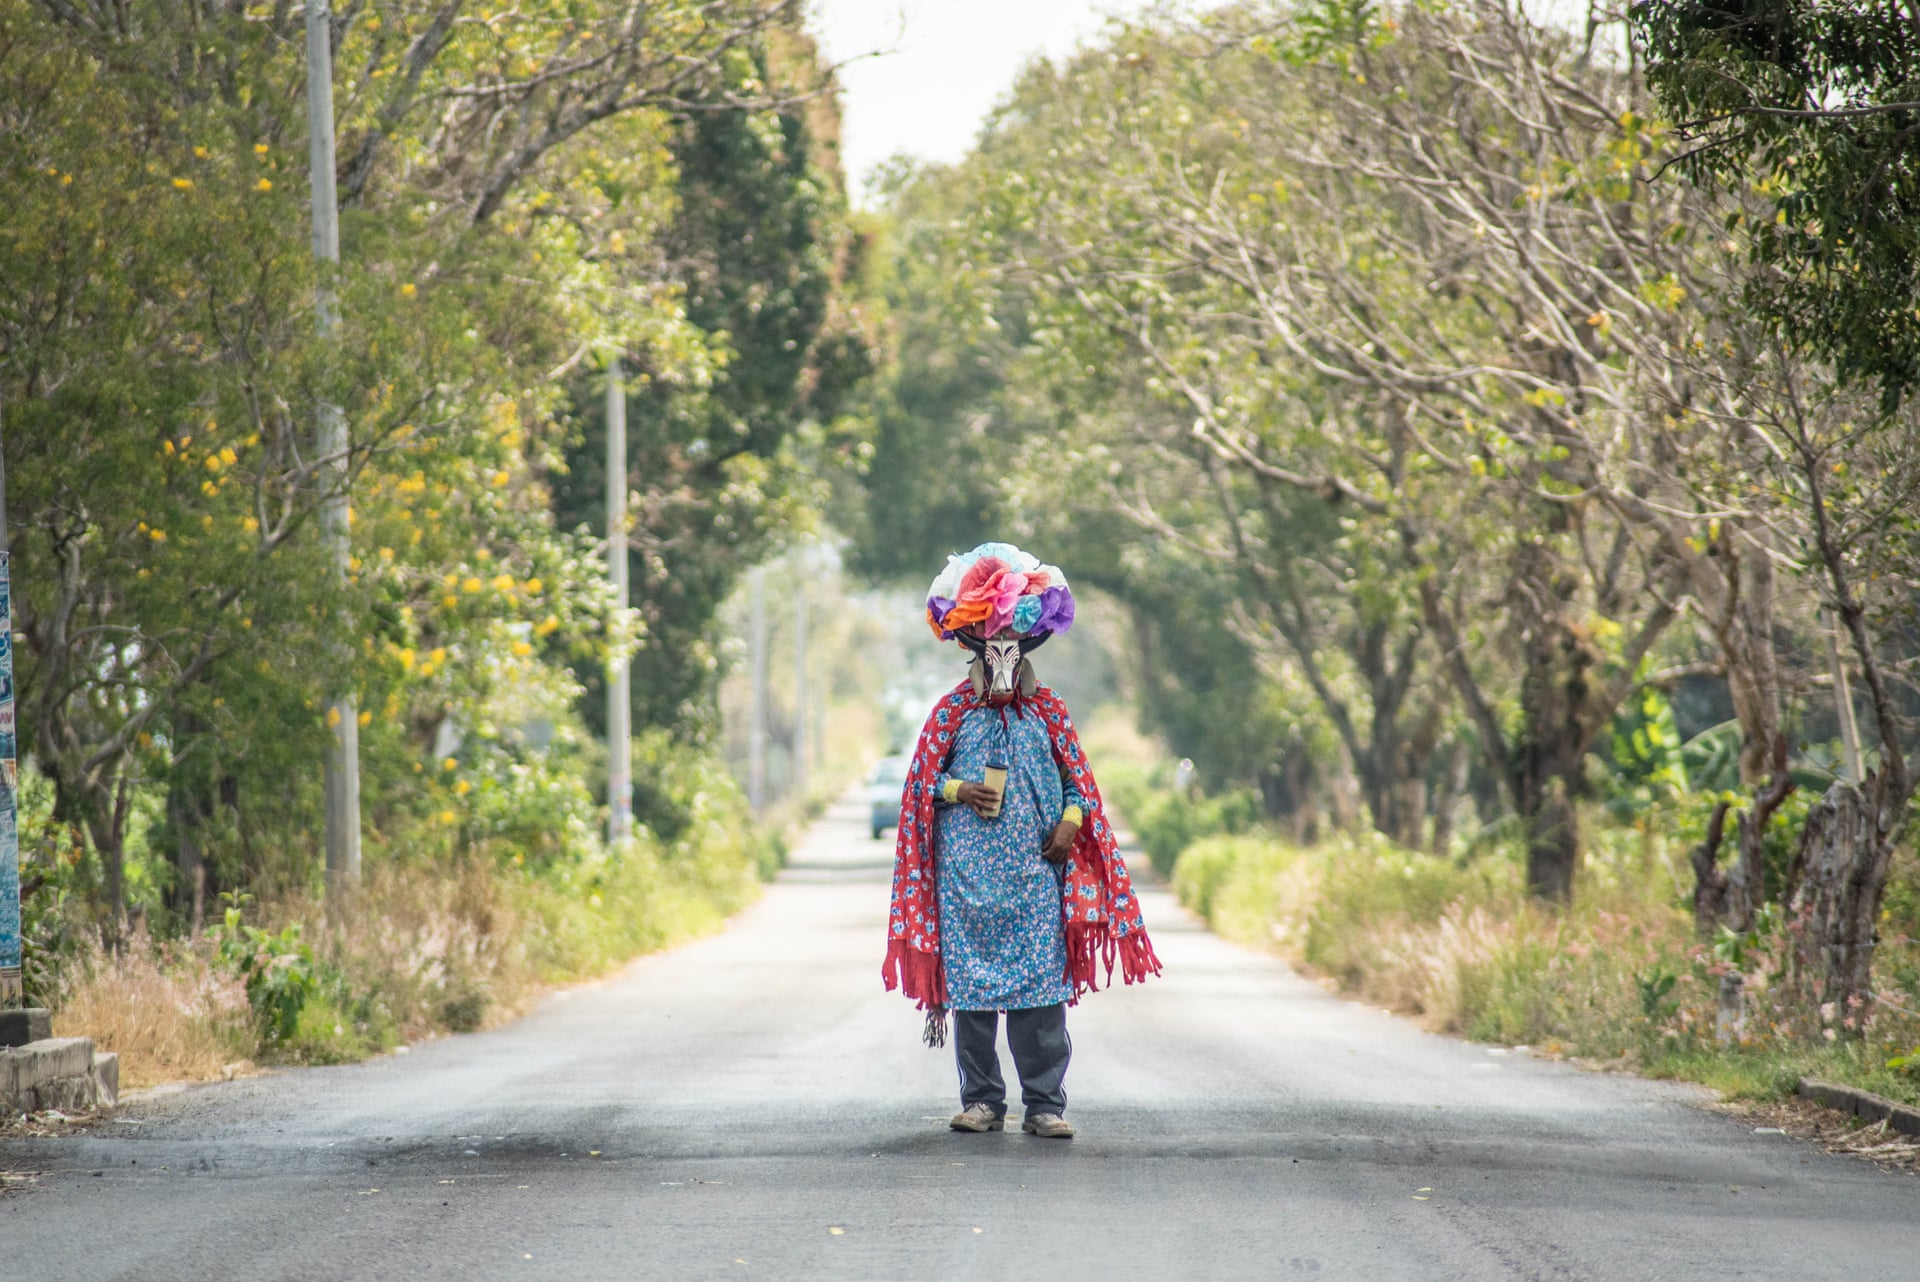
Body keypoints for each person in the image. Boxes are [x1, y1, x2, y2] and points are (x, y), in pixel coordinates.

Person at [883, 542, 1161, 1139]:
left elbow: (1078, 785)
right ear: (973, 653)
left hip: (1037, 876)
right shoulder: (950, 716)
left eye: (1013, 652)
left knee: (1040, 994)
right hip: (966, 883)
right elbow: (919, 789)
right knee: (974, 998)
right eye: (993, 653)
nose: (1003, 663)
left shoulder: (1050, 713)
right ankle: (982, 1100)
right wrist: (959, 791)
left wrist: (1071, 820)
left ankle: (1044, 1105)